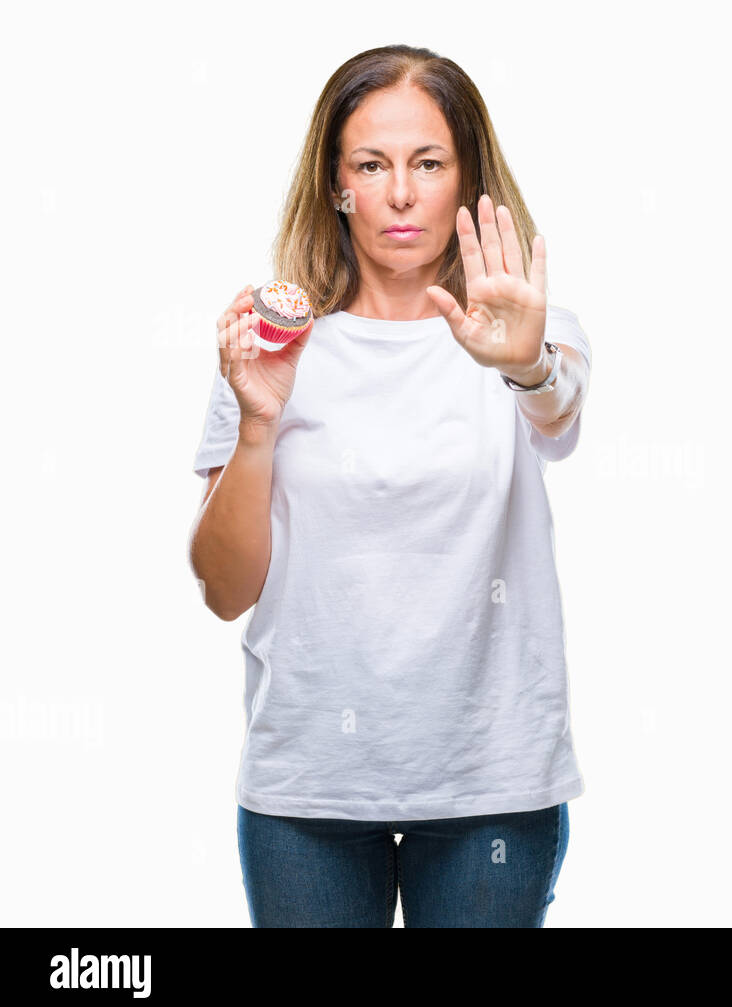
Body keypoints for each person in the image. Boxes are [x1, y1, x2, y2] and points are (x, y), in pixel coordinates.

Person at [187, 44, 591, 928]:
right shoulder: (271, 348)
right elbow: (223, 590)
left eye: (429, 163)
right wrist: (259, 424)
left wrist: (523, 364)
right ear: (336, 185)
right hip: (308, 788)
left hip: (492, 781)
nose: (402, 194)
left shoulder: (525, 329)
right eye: (372, 165)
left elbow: (557, 413)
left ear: (466, 178)